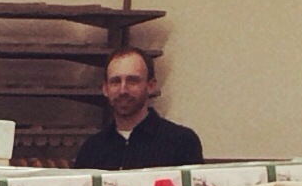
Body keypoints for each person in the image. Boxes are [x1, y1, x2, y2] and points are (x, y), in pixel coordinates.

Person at [71, 46, 205, 170]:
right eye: (115, 81)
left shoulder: (181, 142)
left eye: (132, 81)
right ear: (105, 89)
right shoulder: (91, 149)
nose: (123, 90)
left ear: (150, 86)